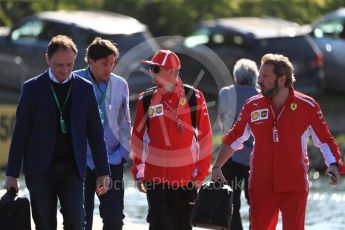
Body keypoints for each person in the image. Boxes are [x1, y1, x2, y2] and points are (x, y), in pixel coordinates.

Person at [211, 53, 344, 230]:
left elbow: (325, 140)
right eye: (259, 76)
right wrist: (217, 166)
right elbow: (233, 137)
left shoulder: (308, 106)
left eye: (265, 77)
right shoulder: (252, 105)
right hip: (261, 185)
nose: (259, 81)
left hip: (295, 185)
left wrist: (334, 164)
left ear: (282, 79)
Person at [4, 35, 110, 230]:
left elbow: (95, 133)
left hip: (73, 169)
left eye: (69, 64)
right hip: (39, 171)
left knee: (77, 223)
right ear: (47, 59)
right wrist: (11, 174)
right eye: (59, 65)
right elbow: (20, 133)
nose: (65, 69)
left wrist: (103, 171)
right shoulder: (31, 88)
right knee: (44, 224)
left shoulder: (85, 89)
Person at [131, 50, 213, 230]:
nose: (151, 72)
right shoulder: (145, 99)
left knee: (182, 226)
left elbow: (205, 140)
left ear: (171, 71)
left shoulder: (194, 97)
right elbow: (137, 138)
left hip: (186, 180)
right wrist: (138, 171)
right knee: (157, 225)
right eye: (151, 68)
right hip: (154, 178)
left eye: (155, 68)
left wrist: (200, 176)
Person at [74, 37, 131, 230]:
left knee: (114, 218)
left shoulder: (121, 84)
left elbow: (125, 123)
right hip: (80, 160)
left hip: (112, 159)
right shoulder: (74, 80)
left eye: (112, 63)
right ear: (90, 61)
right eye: (104, 64)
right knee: (81, 219)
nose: (109, 68)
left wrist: (123, 153)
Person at [217, 58, 259, 230]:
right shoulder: (261, 96)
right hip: (255, 159)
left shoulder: (225, 93)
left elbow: (221, 120)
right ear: (255, 77)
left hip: (229, 156)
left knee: (230, 204)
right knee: (255, 204)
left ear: (236, 76)